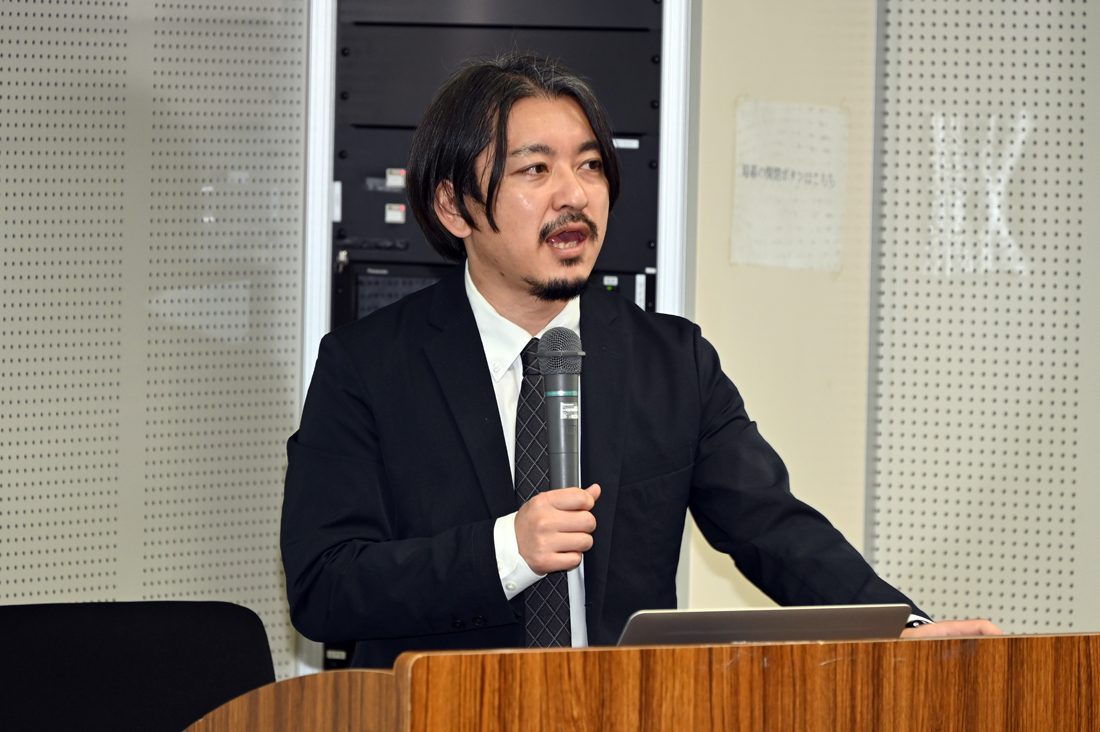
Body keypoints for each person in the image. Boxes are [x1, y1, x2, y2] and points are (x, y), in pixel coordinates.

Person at [281, 52, 998, 668]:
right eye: (536, 169)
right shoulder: (368, 367)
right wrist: (507, 551)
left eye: (590, 165)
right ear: (453, 206)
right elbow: (324, 586)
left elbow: (775, 530)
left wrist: (902, 628)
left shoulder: (672, 363)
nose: (574, 195)